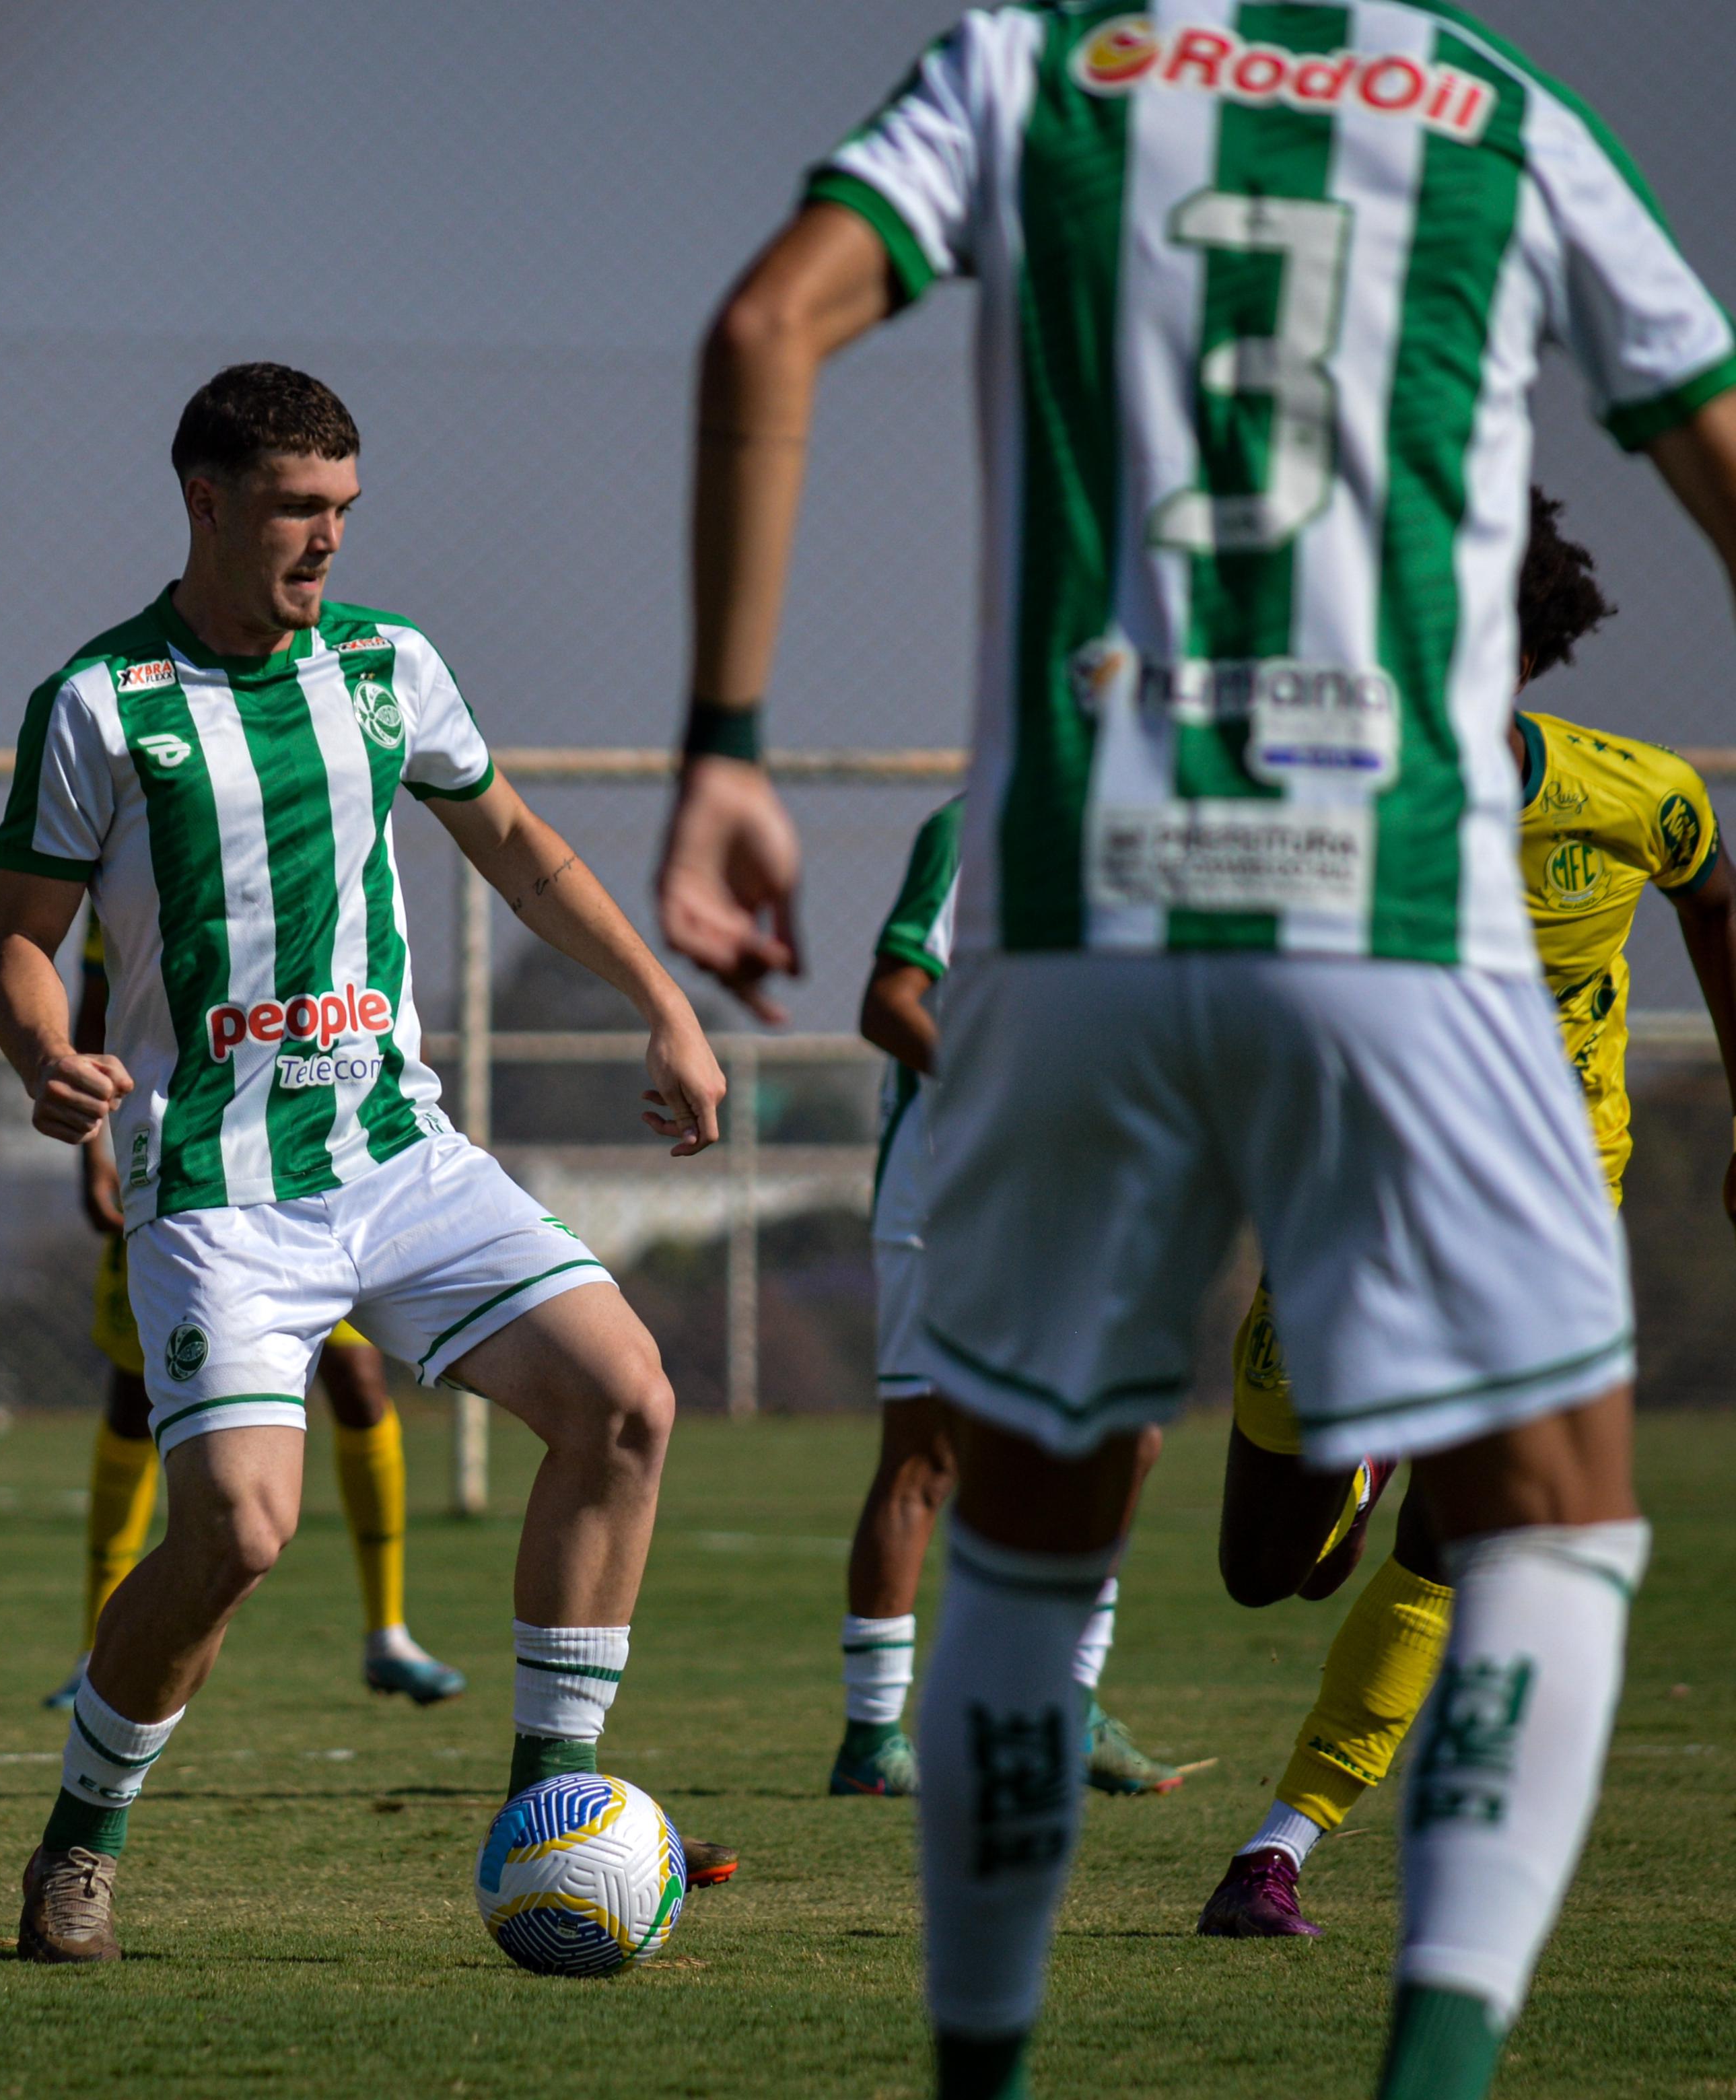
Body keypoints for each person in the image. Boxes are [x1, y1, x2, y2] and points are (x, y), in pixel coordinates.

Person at [663, 9, 1736, 2095]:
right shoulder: (1500, 108)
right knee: (1555, 1511)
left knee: (1030, 1524)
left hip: (1086, 894)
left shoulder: (1022, 67)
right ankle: (1428, 2063)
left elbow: (757, 331)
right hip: (1396, 902)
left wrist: (722, 746)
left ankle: (981, 2069)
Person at [0, 362, 729, 1963]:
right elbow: (20, 945)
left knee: (627, 1397)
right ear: (206, 500)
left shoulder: (391, 667)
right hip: (220, 1190)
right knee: (240, 1534)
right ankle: (77, 1845)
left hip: (399, 1157)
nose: (326, 540)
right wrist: (45, 1053)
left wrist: (664, 1003)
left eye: (344, 509)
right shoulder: (101, 703)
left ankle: (554, 1808)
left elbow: (522, 848)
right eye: (295, 509)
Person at [1201, 490, 1736, 1937]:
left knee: (1465, 1539)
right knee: (1269, 1574)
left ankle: (1276, 1851)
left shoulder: (1633, 793)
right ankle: (1355, 1462)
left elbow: (1713, 897)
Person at [835, 795, 1185, 1800]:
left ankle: (1067, 1705)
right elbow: (888, 1002)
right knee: (925, 1455)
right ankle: (870, 1741)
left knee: (1126, 1433)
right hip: (952, 1188)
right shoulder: (974, 825)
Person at [53, 909, 468, 1712]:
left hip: (317, 1170)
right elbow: (95, 1007)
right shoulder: (140, 849)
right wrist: (91, 1153)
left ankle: (389, 1632)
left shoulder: (321, 833)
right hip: (184, 1174)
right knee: (136, 1396)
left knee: (359, 1383)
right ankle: (93, 1647)